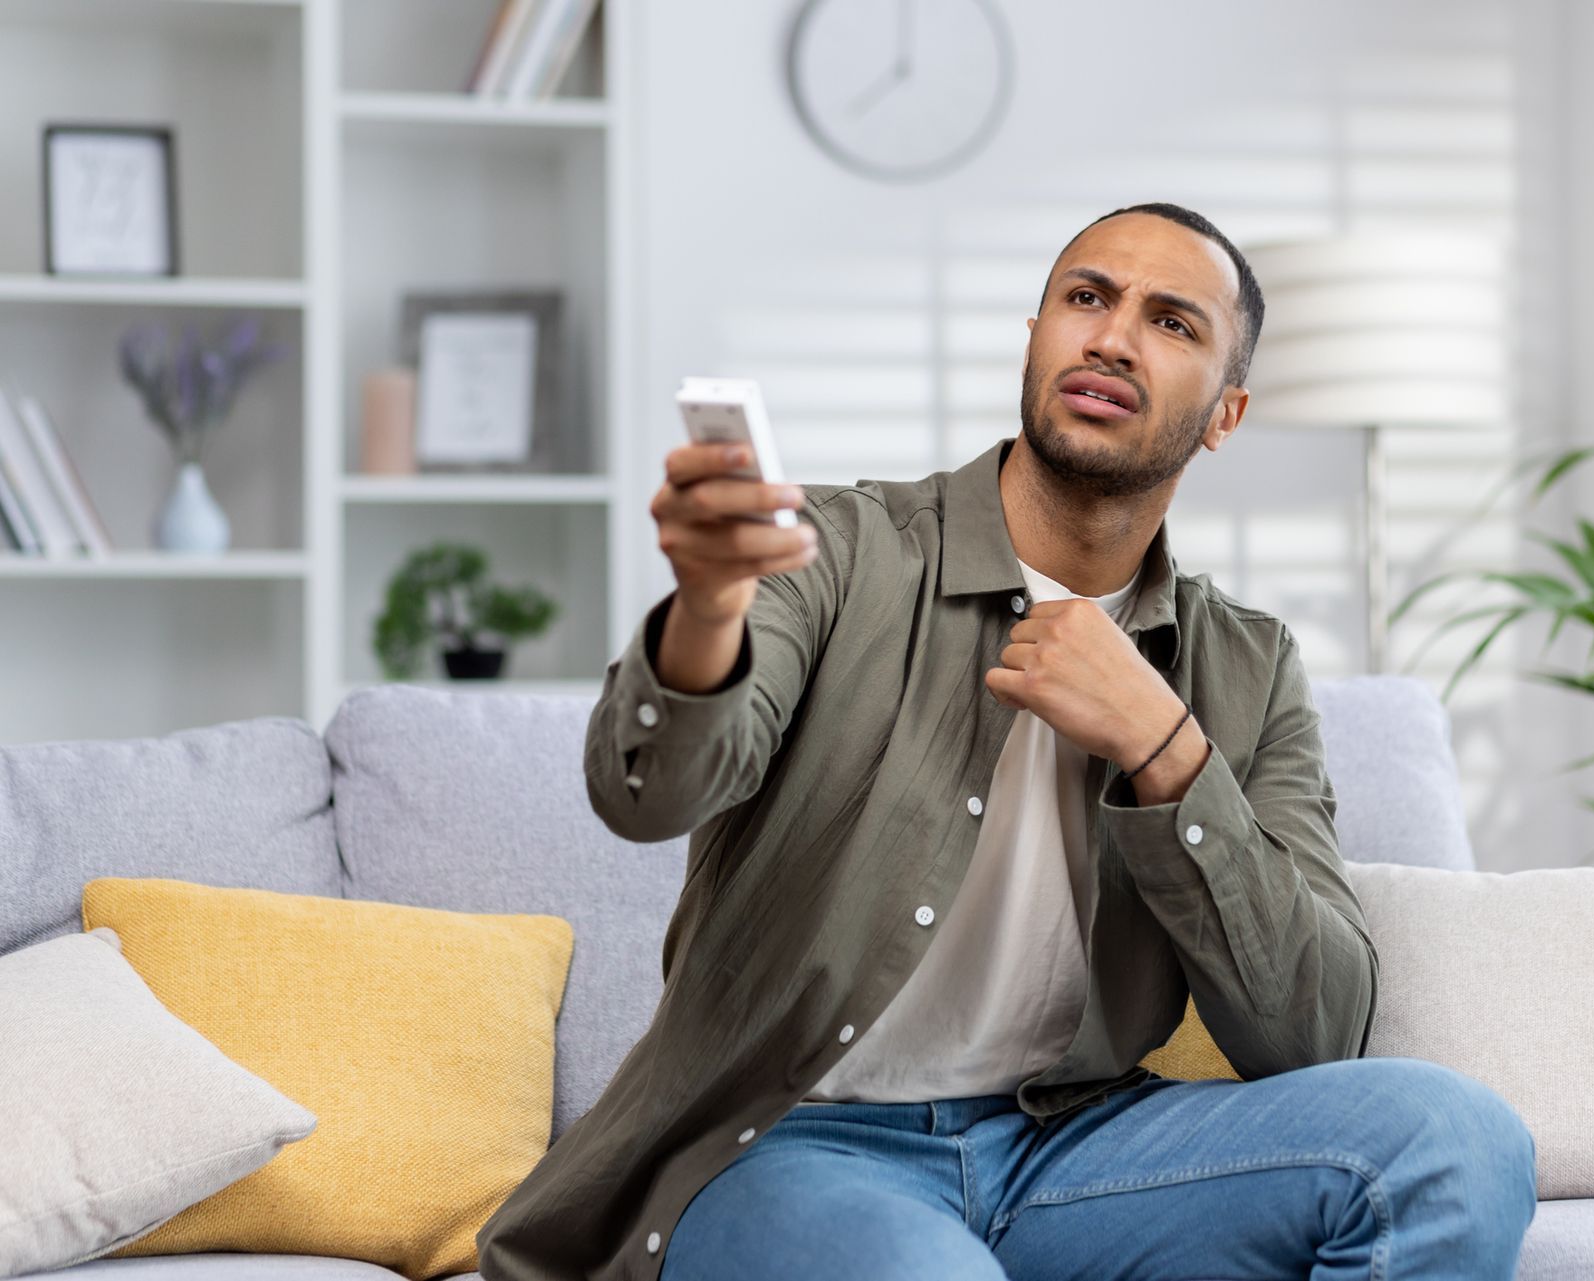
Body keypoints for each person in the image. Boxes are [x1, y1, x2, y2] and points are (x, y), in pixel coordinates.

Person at [474, 202, 1537, 1281]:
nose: (1114, 337)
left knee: (1453, 1142)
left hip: (1074, 1148)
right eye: (1087, 298)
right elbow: (644, 794)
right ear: (1034, 338)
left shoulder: (1246, 668)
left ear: (1227, 413)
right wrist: (707, 606)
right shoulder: (837, 553)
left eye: (1172, 324)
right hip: (791, 1144)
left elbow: (1317, 1031)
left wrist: (1164, 747)